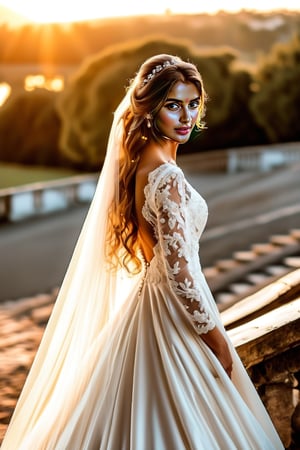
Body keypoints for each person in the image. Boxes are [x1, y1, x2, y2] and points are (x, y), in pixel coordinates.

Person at [1, 54, 284, 450]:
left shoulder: (141, 165)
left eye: (192, 104)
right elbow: (181, 274)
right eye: (172, 105)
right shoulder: (166, 176)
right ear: (150, 110)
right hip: (171, 315)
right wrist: (217, 341)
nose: (186, 116)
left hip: (144, 306)